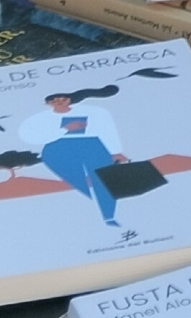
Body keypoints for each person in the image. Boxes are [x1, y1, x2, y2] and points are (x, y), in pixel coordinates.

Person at [19, 84, 130, 229]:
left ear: (69, 99)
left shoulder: (93, 112)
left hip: (92, 146)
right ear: (48, 104)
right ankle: (97, 207)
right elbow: (30, 136)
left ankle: (109, 215)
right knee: (77, 180)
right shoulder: (41, 118)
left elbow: (107, 130)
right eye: (54, 101)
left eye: (62, 99)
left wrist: (115, 151)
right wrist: (63, 129)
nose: (59, 102)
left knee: (103, 179)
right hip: (57, 150)